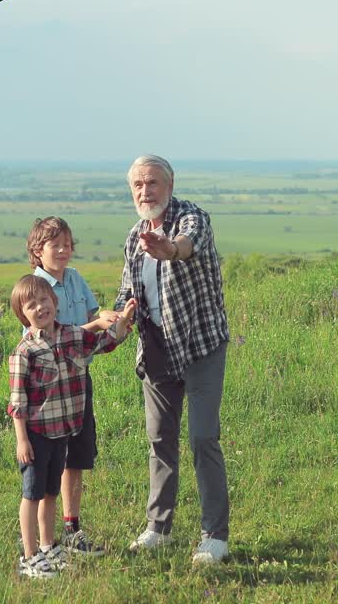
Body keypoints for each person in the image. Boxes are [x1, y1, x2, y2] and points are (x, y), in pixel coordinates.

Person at [114, 154, 232, 565]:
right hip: (158, 351)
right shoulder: (134, 238)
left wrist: (168, 249)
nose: (145, 191)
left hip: (201, 346)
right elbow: (127, 294)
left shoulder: (191, 218)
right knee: (159, 441)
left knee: (202, 438)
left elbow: (186, 247)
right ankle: (158, 529)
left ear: (170, 183)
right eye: (138, 186)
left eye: (153, 183)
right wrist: (120, 318)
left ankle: (214, 536)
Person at [7, 274, 136, 579]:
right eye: (31, 305)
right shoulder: (23, 353)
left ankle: (49, 545)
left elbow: (105, 342)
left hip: (62, 432)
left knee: (52, 491)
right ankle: (29, 555)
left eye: (44, 300)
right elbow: (17, 402)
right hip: (37, 435)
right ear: (22, 315)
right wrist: (22, 440)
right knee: (33, 494)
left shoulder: (70, 336)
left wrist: (123, 321)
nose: (40, 307)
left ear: (56, 302)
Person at [25, 217, 119, 556]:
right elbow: (49, 336)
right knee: (52, 462)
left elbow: (93, 319)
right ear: (38, 250)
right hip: (49, 387)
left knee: (76, 457)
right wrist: (95, 324)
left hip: (78, 380)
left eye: (68, 243)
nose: (64, 250)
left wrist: (115, 318)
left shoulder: (76, 278)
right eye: (56, 245)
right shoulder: (35, 288)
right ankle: (44, 544)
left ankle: (72, 529)